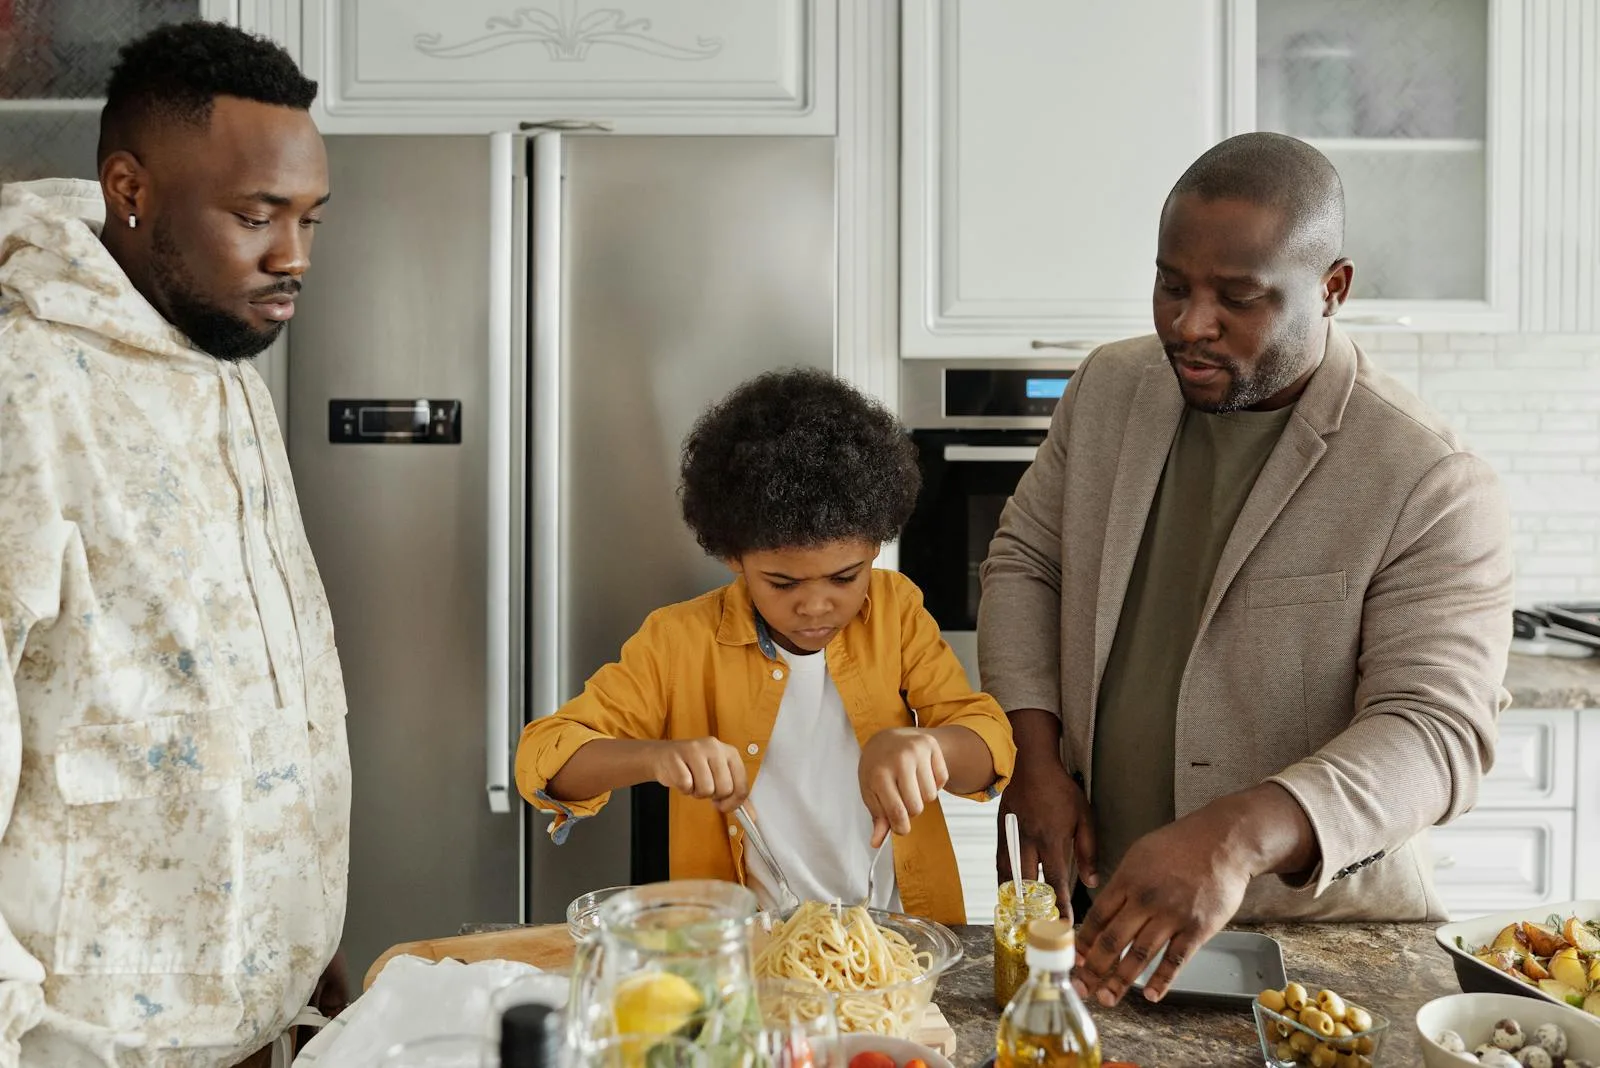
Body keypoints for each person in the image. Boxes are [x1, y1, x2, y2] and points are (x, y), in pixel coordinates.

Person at [979, 133, 1513, 1007]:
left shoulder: (1427, 477)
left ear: (1333, 288)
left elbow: (1436, 730)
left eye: (1238, 297)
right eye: (1171, 285)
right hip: (1103, 910)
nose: (1190, 324)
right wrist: (1033, 754)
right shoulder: (1109, 389)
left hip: (1320, 949)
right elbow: (1026, 562)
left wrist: (1234, 837)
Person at [0, 22, 350, 1068]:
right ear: (129, 187)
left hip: (265, 1023)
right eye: (256, 217)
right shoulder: (25, 391)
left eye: (309, 218)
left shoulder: (221, 358)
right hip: (90, 1049)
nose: (293, 257)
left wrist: (300, 934)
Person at [516, 369, 1016, 925]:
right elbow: (545, 759)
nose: (816, 606)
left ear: (876, 546)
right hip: (743, 948)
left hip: (895, 938)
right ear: (734, 556)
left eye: (844, 578)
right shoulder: (678, 639)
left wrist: (930, 748)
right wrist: (656, 757)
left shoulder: (896, 611)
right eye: (783, 583)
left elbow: (989, 746)